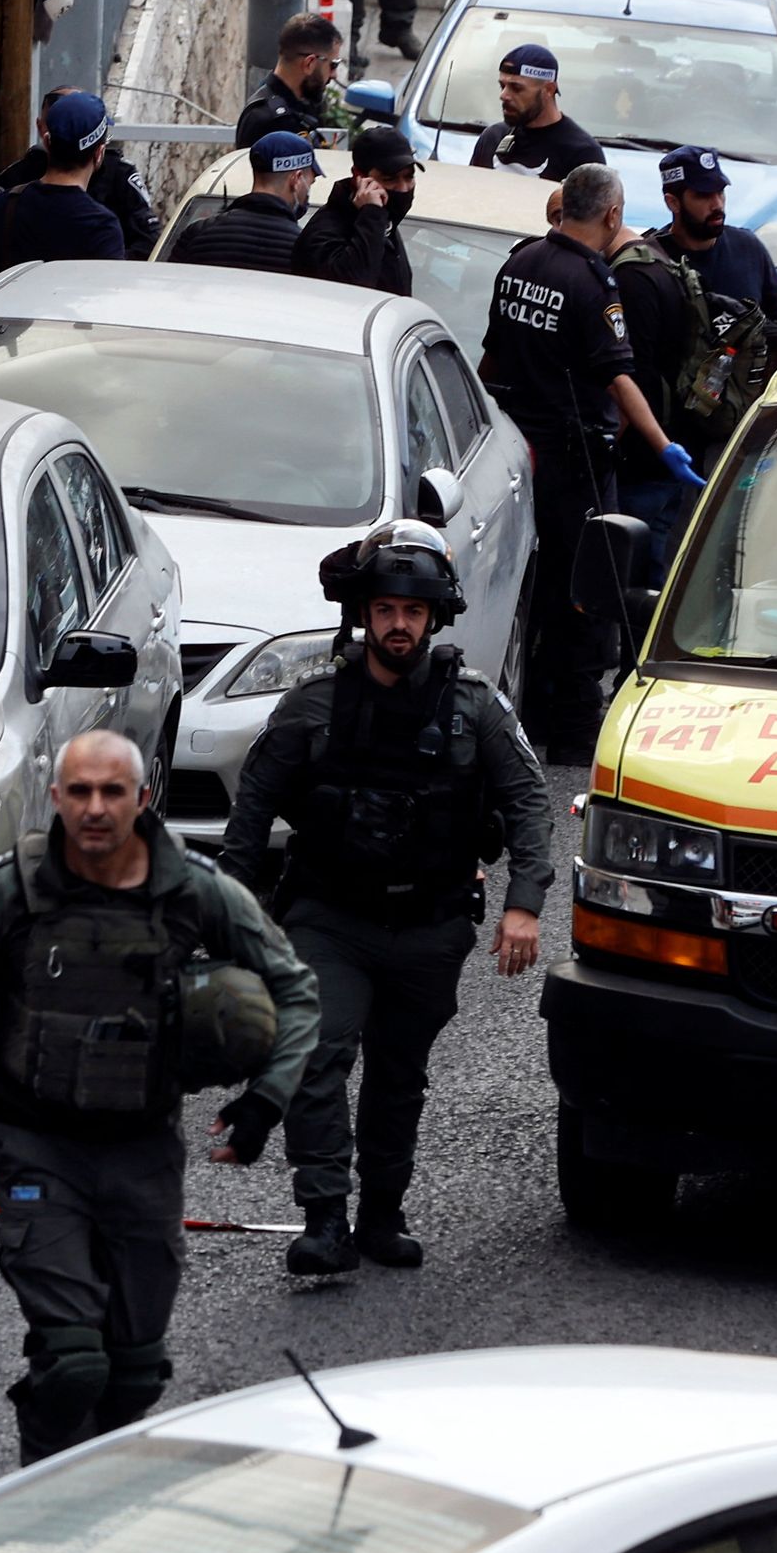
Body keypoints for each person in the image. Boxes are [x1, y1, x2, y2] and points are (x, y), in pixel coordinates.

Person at [0, 732, 320, 1466]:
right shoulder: (9, 893)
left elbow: (296, 988)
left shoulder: (191, 888)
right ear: (56, 798)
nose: (95, 807)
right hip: (34, 1144)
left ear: (143, 797)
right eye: (80, 791)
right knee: (72, 1361)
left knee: (135, 1371)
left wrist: (265, 1101)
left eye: (112, 791)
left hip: (142, 1149)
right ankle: (41, 1501)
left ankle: (93, 1492)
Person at [221, 522, 552, 1273]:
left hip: (430, 926)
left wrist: (524, 902)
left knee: (399, 1075)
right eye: (384, 609)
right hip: (329, 918)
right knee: (317, 1048)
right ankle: (325, 1217)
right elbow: (250, 814)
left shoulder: (476, 708)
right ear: (363, 614)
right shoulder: (312, 706)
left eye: (412, 610)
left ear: (433, 617)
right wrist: (232, 917)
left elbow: (531, 804)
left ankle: (380, 1213)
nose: (397, 624)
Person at [486, 165, 704, 756]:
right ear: (611, 215)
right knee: (589, 593)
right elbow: (616, 375)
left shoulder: (520, 264)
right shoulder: (592, 282)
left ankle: (521, 713)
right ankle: (575, 734)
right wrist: (663, 445)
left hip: (513, 452)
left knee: (527, 587)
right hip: (574, 460)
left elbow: (491, 363)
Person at [609, 144, 777, 565]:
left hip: (734, 441)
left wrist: (735, 330)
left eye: (720, 193)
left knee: (722, 560)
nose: (716, 204)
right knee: (651, 566)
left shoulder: (747, 250)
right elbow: (629, 365)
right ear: (673, 201)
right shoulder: (647, 265)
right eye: (703, 196)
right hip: (665, 453)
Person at [0, 89, 133, 292]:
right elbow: (105, 304)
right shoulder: (102, 226)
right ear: (99, 153)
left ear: (47, 141)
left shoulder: (3, 205)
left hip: (5, 323)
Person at [293, 121, 419, 296]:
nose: (403, 188)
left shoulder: (385, 224)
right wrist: (372, 215)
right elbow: (354, 290)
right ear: (359, 177)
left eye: (409, 177)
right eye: (390, 179)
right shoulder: (326, 231)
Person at [171, 130, 320, 271]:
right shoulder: (304, 251)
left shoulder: (197, 234)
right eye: (310, 183)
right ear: (296, 179)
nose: (307, 192)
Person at [466, 40, 608, 179]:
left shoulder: (582, 153)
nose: (504, 96)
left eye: (516, 88)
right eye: (502, 86)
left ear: (548, 90)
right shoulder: (492, 138)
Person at [236, 11, 347, 148]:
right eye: (333, 65)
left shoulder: (303, 103)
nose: (334, 75)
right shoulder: (265, 120)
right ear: (309, 64)